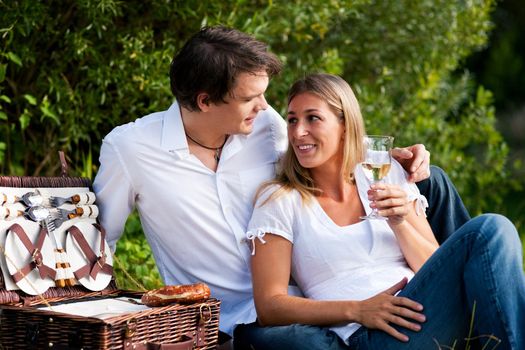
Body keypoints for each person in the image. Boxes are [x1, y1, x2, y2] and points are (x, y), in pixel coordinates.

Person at [93, 26, 469, 347]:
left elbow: (324, 140)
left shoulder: (266, 125)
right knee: (300, 342)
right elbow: (98, 245)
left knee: (432, 179)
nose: (264, 106)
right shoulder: (131, 149)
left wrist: (396, 158)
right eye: (250, 98)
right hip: (238, 316)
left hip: (308, 291)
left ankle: (469, 298)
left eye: (264, 94)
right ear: (205, 101)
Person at [240, 73, 525, 349]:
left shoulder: (385, 175)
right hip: (374, 334)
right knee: (490, 229)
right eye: (292, 120)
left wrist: (400, 222)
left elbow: (432, 267)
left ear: (344, 126)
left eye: (312, 118)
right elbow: (270, 306)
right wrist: (358, 310)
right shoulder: (280, 199)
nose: (298, 131)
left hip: (429, 310)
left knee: (494, 230)